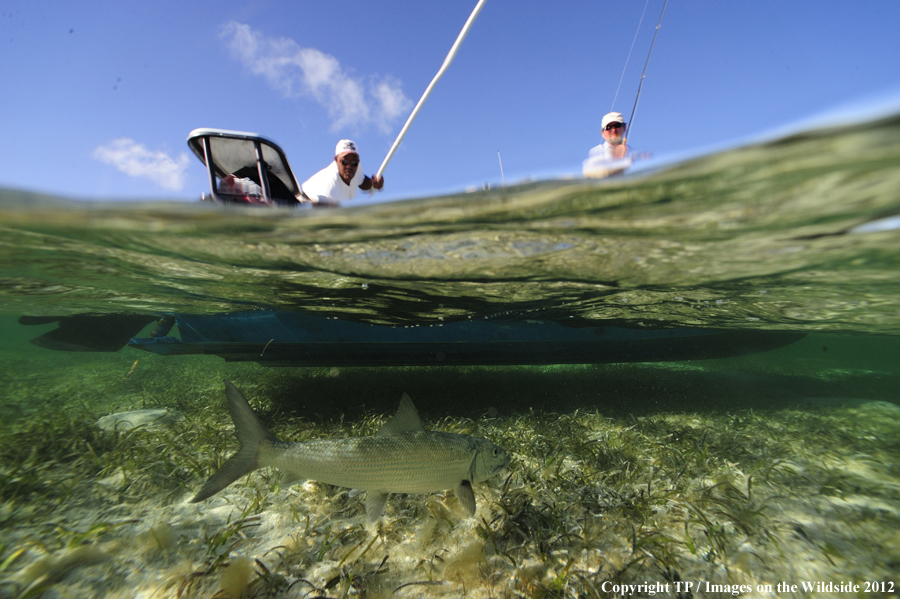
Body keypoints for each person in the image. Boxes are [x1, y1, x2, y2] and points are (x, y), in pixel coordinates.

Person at [301, 139, 384, 206]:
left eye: (354, 162)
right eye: (345, 161)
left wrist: (373, 184)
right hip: (306, 203)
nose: (349, 166)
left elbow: (362, 181)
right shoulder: (329, 188)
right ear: (336, 160)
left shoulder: (357, 168)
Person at [583, 111, 632, 179]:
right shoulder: (596, 151)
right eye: (608, 127)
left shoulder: (631, 151)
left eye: (617, 125)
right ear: (602, 133)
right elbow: (589, 173)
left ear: (624, 128)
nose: (613, 130)